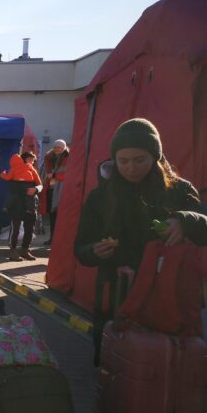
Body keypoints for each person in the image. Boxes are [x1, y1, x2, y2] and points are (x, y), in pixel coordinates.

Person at [74, 118, 207, 358]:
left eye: (139, 160)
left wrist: (184, 220)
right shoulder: (100, 197)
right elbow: (81, 247)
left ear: (155, 157)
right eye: (123, 161)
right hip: (117, 294)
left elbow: (203, 225)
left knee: (162, 363)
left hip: (169, 294)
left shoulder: (178, 190)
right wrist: (94, 250)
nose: (131, 168)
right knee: (117, 364)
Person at [0, 150, 42, 261]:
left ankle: (25, 250)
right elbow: (8, 181)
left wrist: (35, 189)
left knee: (30, 228)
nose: (31, 162)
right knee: (16, 228)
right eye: (29, 159)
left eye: (33, 160)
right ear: (22, 159)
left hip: (31, 202)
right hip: (17, 203)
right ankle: (12, 250)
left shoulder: (32, 170)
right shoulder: (15, 170)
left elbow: (40, 185)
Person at [41, 139, 69, 244]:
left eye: (60, 147)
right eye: (56, 147)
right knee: (52, 216)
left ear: (64, 148)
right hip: (51, 190)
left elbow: (69, 175)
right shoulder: (49, 158)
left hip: (62, 191)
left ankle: (60, 239)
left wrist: (54, 176)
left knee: (61, 217)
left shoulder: (68, 158)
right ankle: (52, 239)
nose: (57, 149)